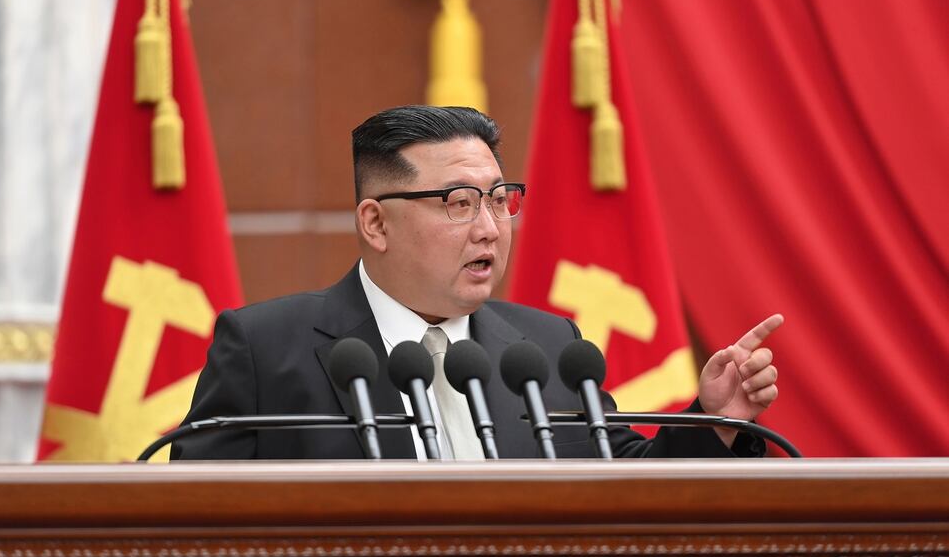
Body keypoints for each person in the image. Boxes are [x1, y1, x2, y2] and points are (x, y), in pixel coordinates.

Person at [171, 106, 782, 460]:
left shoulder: (543, 349)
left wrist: (716, 419)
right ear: (376, 222)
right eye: (460, 203)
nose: (490, 227)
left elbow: (629, 485)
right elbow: (198, 527)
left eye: (499, 199)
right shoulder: (263, 348)